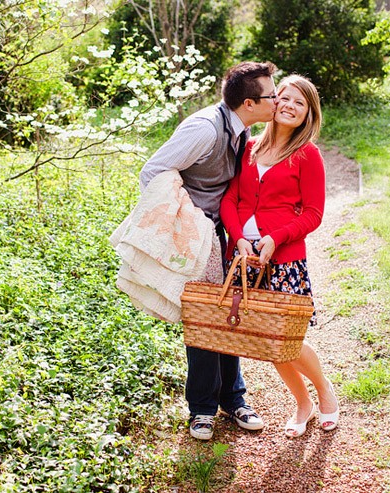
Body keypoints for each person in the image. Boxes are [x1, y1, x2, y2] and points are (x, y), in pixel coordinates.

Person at [139, 61, 278, 441]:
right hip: (197, 237)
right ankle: (201, 409)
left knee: (229, 313)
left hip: (226, 237)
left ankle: (233, 401)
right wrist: (185, 225)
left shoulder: (244, 129)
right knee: (203, 320)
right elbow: (153, 172)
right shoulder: (204, 129)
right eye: (272, 94)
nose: (277, 99)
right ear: (249, 104)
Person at [220, 74, 340, 438]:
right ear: (273, 101)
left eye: (299, 103)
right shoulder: (248, 147)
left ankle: (325, 392)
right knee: (266, 341)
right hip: (241, 259)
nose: (289, 106)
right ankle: (302, 403)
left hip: (284, 260)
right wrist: (238, 238)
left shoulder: (308, 155)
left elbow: (313, 214)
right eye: (284, 98)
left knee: (287, 337)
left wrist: (276, 238)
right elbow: (229, 200)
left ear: (308, 114)